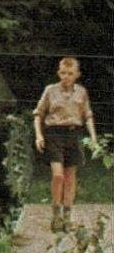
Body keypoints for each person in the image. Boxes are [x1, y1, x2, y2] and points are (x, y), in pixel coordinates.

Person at [33, 57, 99, 233]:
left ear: (77, 75)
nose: (66, 77)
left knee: (70, 177)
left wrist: (93, 137)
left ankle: (67, 216)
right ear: (58, 73)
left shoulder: (82, 92)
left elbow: (88, 116)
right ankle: (56, 213)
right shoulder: (50, 90)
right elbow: (38, 114)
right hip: (54, 134)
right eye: (63, 73)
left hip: (73, 134)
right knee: (58, 176)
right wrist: (39, 136)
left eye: (70, 73)